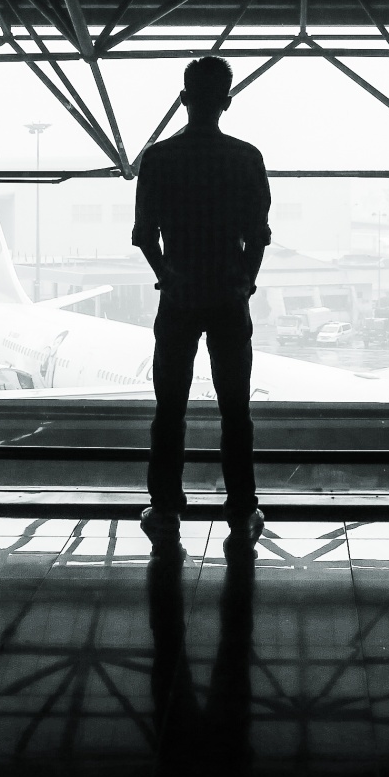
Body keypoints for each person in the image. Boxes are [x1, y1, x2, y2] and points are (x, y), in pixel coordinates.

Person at [132, 56, 271, 545]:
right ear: (226, 102)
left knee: (169, 408)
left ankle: (166, 507)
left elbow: (145, 234)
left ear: (184, 99)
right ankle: (241, 508)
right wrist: (245, 282)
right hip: (229, 297)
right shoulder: (245, 158)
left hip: (180, 296)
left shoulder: (159, 158)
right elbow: (258, 235)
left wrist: (167, 275)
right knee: (236, 410)